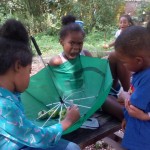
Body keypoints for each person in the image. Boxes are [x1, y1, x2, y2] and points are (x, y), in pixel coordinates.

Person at [0, 19, 80, 150]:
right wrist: (67, 121)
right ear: (18, 66)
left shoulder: (9, 94)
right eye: (29, 71)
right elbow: (38, 137)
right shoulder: (4, 106)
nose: (29, 77)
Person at [115, 25, 150, 150]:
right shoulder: (142, 72)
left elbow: (132, 106)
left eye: (124, 62)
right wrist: (127, 119)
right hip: (136, 129)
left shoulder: (147, 78)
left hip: (142, 139)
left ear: (138, 60)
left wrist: (124, 95)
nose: (123, 66)